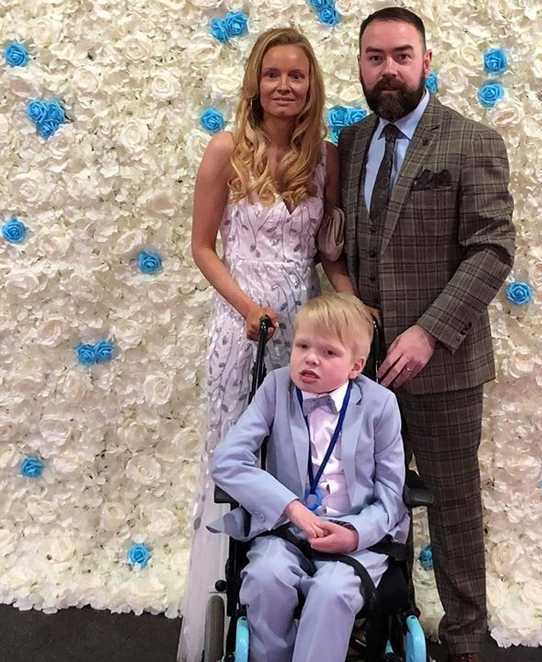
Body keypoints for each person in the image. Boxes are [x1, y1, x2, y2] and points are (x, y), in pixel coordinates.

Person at [336, 8, 516, 661]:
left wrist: (428, 333)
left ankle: (467, 633)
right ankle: (385, 617)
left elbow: (492, 251)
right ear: (359, 63)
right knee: (370, 500)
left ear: (426, 61)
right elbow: (345, 247)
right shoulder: (351, 142)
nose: (388, 69)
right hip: (361, 372)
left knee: (453, 503)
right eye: (375, 56)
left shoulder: (472, 141)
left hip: (444, 367)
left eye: (402, 56)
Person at [177, 27, 354, 662]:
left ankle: (285, 598)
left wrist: (350, 303)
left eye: (296, 76)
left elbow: (326, 250)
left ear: (311, 87)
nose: (284, 86)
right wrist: (247, 307)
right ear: (255, 81)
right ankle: (225, 601)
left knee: (296, 458)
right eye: (273, 74)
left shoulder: (326, 160)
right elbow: (202, 246)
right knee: (238, 460)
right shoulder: (226, 149)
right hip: (241, 325)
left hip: (301, 333)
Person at [209, 293, 409, 662]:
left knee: (332, 591)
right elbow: (227, 460)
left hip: (356, 535)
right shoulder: (276, 388)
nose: (311, 358)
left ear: (355, 366)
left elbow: (391, 495)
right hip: (285, 529)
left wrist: (353, 534)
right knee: (266, 577)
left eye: (329, 352)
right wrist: (291, 507)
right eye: (303, 345)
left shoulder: (380, 404)